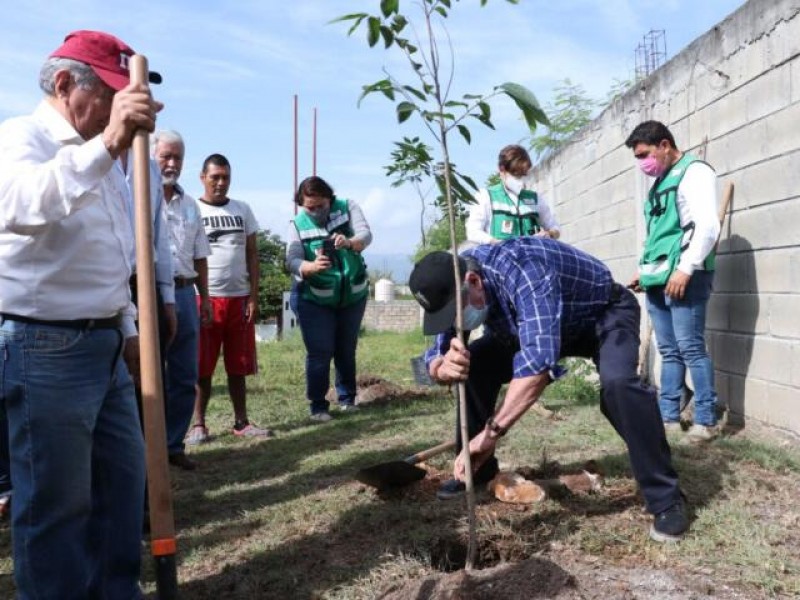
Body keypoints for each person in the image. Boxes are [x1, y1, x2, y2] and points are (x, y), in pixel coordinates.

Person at [0, 29, 161, 596]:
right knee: (57, 503)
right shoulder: (21, 138)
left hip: (105, 344)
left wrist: (128, 326)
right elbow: (20, 205)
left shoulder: (107, 159)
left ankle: (116, 591)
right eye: (111, 94)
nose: (118, 109)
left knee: (122, 487)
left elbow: (115, 250)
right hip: (45, 346)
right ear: (66, 83)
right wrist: (109, 144)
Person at [409, 239, 689, 543]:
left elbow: (536, 369)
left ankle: (667, 498)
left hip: (601, 315)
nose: (453, 323)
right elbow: (433, 358)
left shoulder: (524, 269)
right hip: (528, 325)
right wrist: (440, 367)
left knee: (619, 387)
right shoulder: (451, 280)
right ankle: (480, 472)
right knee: (474, 366)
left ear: (473, 281)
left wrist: (489, 434)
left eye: (455, 314)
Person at [625, 121, 720, 444]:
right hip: (658, 277)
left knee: (691, 347)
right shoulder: (660, 182)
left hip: (685, 276)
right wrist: (644, 270)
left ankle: (706, 421)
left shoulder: (695, 172)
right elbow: (658, 235)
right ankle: (668, 417)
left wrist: (686, 268)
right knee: (668, 350)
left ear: (665, 145)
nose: (643, 163)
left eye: (645, 155)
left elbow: (706, 226)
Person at [187, 153, 273, 443]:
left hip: (239, 298)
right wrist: (203, 297)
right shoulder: (192, 209)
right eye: (215, 177)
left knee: (238, 364)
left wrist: (253, 297)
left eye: (225, 177)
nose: (221, 183)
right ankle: (198, 424)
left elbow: (252, 254)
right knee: (202, 366)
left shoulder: (243, 210)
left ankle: (241, 422)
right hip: (204, 299)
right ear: (203, 178)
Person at [286, 176, 372, 422]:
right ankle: (318, 406)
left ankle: (347, 399)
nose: (315, 212)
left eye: (320, 206)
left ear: (329, 199)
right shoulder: (297, 224)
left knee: (346, 348)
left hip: (352, 294)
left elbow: (366, 235)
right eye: (309, 207)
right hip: (314, 298)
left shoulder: (348, 207)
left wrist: (350, 242)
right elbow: (291, 260)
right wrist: (310, 267)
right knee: (320, 351)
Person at [153, 129, 212, 468]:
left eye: (177, 157)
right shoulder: (138, 195)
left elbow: (200, 255)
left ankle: (173, 445)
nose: (172, 163)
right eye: (166, 156)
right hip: (149, 295)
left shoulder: (190, 204)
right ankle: (149, 448)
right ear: (152, 156)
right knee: (151, 375)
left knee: (184, 374)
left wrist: (203, 297)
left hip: (185, 291)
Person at [465, 144, 560, 244]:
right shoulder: (486, 196)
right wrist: (496, 242)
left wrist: (549, 234)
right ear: (502, 169)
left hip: (532, 255)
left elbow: (555, 227)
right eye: (516, 175)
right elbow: (473, 232)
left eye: (524, 174)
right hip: (500, 256)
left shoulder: (535, 198)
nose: (520, 180)